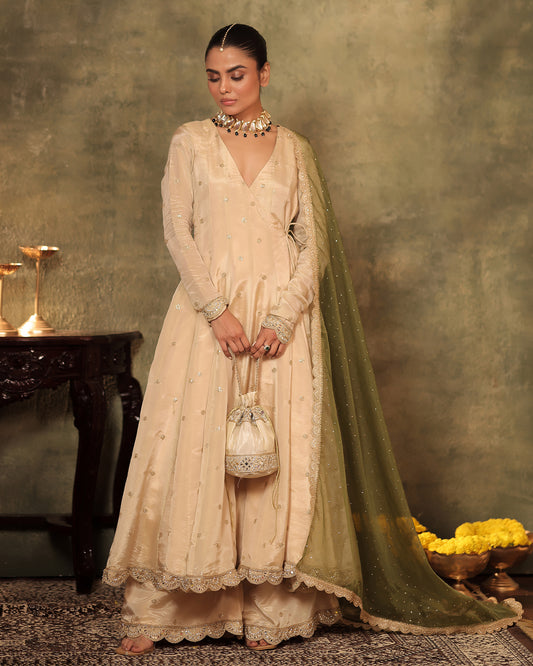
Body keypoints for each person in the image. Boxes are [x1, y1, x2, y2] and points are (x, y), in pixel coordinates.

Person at [103, 23, 521, 656]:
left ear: (264, 74)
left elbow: (312, 245)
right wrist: (217, 311)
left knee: (275, 462)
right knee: (195, 452)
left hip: (282, 324)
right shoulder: (189, 141)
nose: (224, 88)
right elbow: (177, 230)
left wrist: (280, 318)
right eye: (213, 76)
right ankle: (170, 611)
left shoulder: (296, 151)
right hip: (207, 320)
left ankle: (270, 610)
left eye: (237, 75)